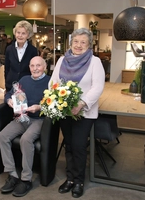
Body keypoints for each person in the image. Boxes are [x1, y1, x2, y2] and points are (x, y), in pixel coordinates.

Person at [49, 27, 105, 198]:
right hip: (65, 112)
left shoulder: (95, 62)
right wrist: (57, 99)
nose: (78, 45)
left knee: (80, 147)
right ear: (70, 42)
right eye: (76, 41)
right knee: (69, 145)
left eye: (83, 42)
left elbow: (98, 87)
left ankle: (79, 181)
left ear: (89, 45)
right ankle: (70, 178)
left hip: (84, 113)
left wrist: (81, 103)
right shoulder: (62, 60)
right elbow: (53, 82)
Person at [0, 56, 50, 197]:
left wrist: (39, 107)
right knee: (2, 136)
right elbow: (9, 93)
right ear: (29, 67)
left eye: (38, 65)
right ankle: (12, 175)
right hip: (22, 118)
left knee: (25, 139)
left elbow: (54, 104)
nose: (35, 68)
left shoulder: (50, 82)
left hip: (39, 120)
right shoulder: (24, 80)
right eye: (32, 66)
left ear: (44, 67)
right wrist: (9, 101)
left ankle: (26, 179)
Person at [4, 20, 38, 92]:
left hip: (27, 85)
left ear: (28, 35)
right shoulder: (9, 49)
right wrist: (6, 83)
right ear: (15, 33)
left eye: (23, 33)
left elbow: (34, 69)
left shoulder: (33, 50)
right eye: (18, 32)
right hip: (11, 86)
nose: (20, 35)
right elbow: (7, 68)